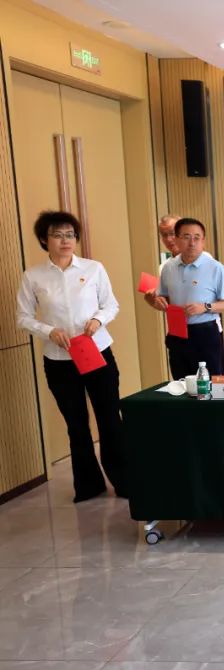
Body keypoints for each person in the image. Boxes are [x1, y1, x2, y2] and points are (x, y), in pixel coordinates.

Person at [15, 211, 127, 502]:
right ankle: (89, 486)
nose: (65, 240)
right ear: (44, 240)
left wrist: (98, 320)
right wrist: (48, 330)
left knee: (109, 418)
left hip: (97, 353)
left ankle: (124, 481)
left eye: (70, 235)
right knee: (76, 424)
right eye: (57, 235)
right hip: (59, 360)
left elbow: (111, 305)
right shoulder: (33, 276)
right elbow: (23, 317)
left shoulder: (93, 268)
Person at [152, 217, 224, 378]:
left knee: (210, 383)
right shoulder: (168, 267)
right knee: (181, 383)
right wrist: (158, 301)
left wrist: (205, 307)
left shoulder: (214, 267)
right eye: (186, 237)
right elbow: (163, 298)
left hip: (205, 331)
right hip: (177, 331)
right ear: (177, 239)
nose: (192, 243)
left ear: (203, 241)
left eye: (197, 238)